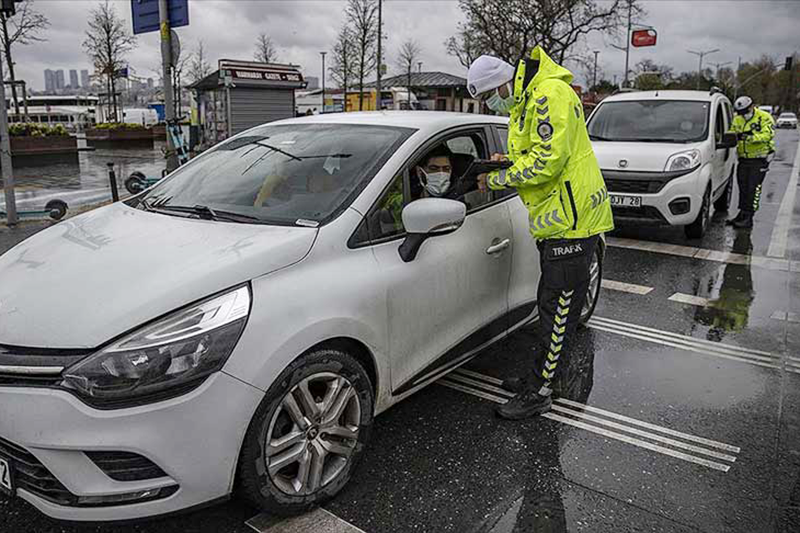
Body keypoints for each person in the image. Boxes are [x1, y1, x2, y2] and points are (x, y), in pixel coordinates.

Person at [467, 46, 613, 420]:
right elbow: (540, 151)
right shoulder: (530, 97)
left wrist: (498, 178)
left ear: (502, 84)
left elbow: (549, 161)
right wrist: (510, 162)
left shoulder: (548, 94)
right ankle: (540, 378)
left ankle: (541, 392)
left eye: (487, 97)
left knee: (558, 309)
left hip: (572, 220)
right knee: (551, 305)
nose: (489, 107)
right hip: (561, 218)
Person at [728, 96, 776, 229]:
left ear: (751, 107)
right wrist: (731, 137)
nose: (743, 115)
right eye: (740, 112)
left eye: (744, 111)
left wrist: (750, 137)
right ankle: (742, 213)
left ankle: (749, 218)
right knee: (742, 188)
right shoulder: (738, 118)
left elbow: (768, 135)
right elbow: (732, 132)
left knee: (753, 189)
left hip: (759, 160)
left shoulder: (764, 117)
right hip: (743, 159)